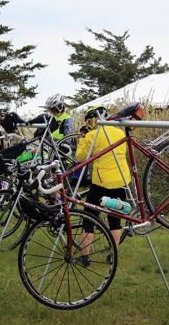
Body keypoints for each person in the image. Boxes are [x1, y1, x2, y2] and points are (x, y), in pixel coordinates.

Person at [76, 105, 131, 266]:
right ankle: (113, 255)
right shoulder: (120, 132)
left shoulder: (93, 135)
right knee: (115, 221)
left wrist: (82, 137)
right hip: (120, 181)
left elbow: (80, 158)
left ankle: (85, 257)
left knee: (89, 219)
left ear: (92, 120)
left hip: (101, 183)